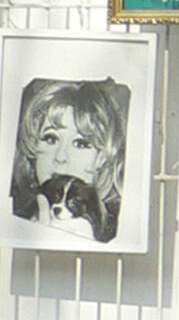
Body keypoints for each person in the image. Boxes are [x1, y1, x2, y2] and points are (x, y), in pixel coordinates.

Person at [8, 78, 126, 243]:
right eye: (50, 139)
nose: (60, 157)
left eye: (81, 143)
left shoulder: (121, 234)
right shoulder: (11, 221)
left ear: (103, 157)